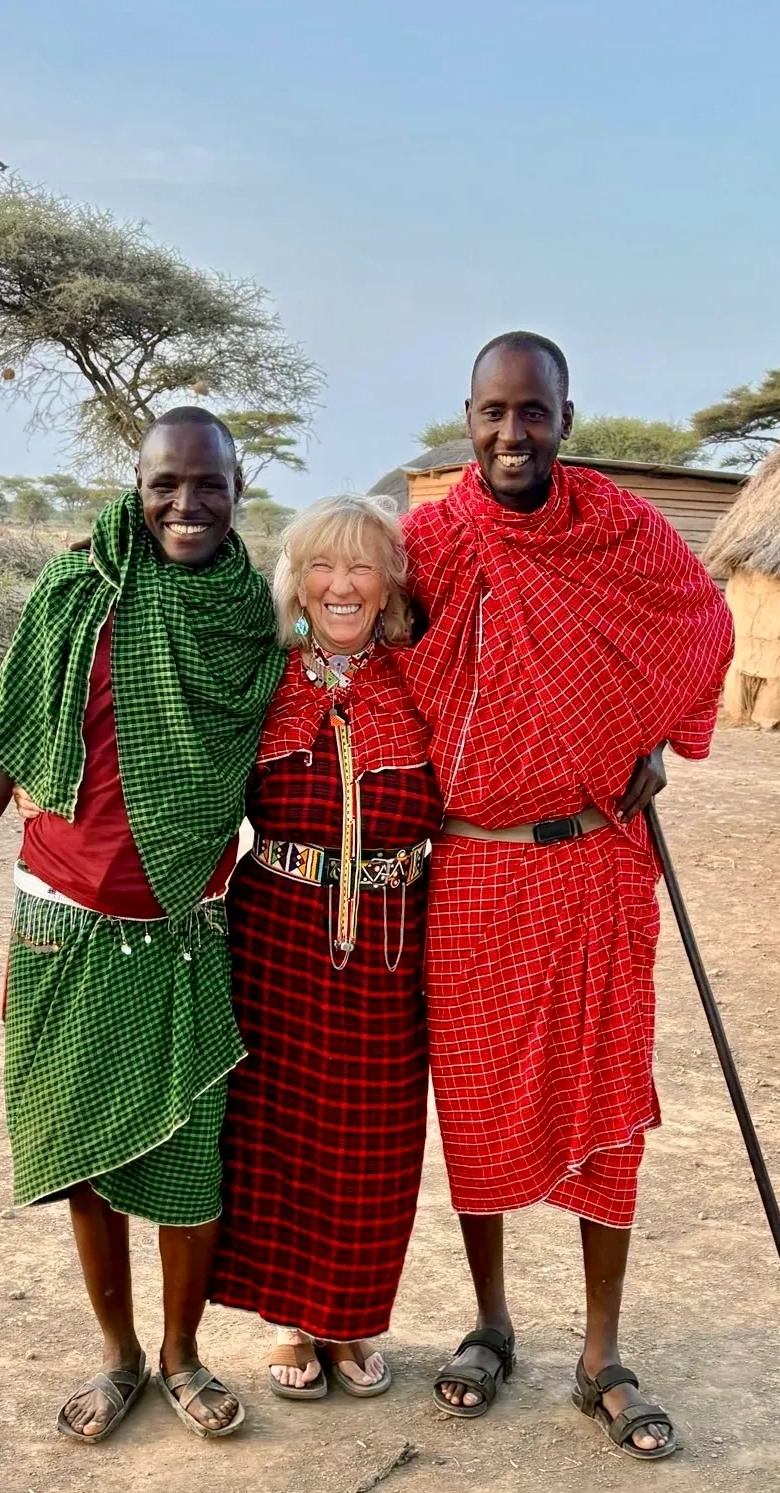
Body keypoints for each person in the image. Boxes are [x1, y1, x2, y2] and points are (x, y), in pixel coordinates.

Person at [0, 409, 285, 1444]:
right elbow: (4, 741)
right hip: (62, 923)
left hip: (185, 930)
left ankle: (184, 1355)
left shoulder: (252, 619)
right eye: (166, 483)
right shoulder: (77, 594)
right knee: (82, 1162)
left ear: (240, 488)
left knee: (193, 1165)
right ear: (136, 482)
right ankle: (119, 1358)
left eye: (209, 485)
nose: (186, 504)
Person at [397, 333, 734, 1462]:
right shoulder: (429, 541)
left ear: (564, 417)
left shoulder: (621, 531)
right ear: (467, 415)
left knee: (604, 1112)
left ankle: (600, 1353)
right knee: (476, 1101)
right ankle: (488, 1323)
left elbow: (702, 622)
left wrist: (654, 734)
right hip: (475, 866)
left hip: (594, 861)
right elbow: (384, 665)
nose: (509, 433)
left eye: (530, 412)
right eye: (492, 412)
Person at [209, 495, 442, 1401]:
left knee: (373, 1135)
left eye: (360, 568)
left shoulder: (423, 680)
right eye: (321, 567)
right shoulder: (260, 676)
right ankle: (291, 1319)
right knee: (276, 1126)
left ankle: (350, 1320)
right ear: (296, 582)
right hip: (274, 929)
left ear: (388, 584)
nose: (340, 585)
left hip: (391, 940)